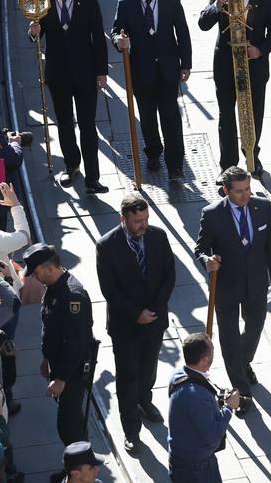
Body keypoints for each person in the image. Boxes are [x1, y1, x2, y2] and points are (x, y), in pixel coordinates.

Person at [193, 166, 271, 415]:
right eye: (239, 192)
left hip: (256, 284)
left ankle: (243, 363)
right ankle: (241, 393)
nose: (246, 196)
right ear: (226, 190)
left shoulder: (262, 207)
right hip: (227, 287)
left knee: (255, 326)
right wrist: (207, 261)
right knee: (230, 340)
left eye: (248, 190)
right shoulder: (211, 214)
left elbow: (269, 246)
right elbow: (199, 249)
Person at [94, 193, 175, 452]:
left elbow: (169, 276)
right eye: (138, 220)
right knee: (127, 376)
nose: (143, 224)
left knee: (149, 369)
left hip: (154, 319)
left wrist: (153, 309)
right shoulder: (107, 246)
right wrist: (135, 313)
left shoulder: (158, 237)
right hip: (125, 325)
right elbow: (110, 289)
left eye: (146, 219)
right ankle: (131, 429)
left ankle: (145, 401)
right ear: (123, 219)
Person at [30, 0, 108, 194]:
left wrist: (101, 72)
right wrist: (34, 32)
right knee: (64, 123)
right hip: (58, 74)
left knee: (87, 125)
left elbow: (98, 38)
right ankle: (71, 164)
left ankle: (92, 178)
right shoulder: (43, 0)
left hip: (85, 73)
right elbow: (36, 35)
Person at [197, 0, 271, 173]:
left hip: (255, 67)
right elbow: (203, 24)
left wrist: (260, 49)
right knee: (227, 115)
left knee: (254, 113)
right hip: (226, 65)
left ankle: (252, 154)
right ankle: (228, 165)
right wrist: (217, 4)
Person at [111, 0, 192, 185]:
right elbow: (115, 30)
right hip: (141, 71)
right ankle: (153, 153)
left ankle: (175, 165)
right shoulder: (126, 3)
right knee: (147, 116)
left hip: (167, 70)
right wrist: (119, 41)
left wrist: (186, 64)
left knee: (171, 117)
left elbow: (182, 33)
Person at [25, 243, 95, 450]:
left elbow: (76, 344)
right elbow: (52, 330)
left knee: (69, 425)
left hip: (72, 372)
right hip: (59, 367)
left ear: (49, 267)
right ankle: (74, 469)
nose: (35, 278)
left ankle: (80, 471)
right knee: (70, 422)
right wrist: (47, 358)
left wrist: (61, 379)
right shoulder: (54, 288)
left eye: (36, 273)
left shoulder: (72, 295)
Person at [166, 332, 240, 481]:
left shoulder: (178, 374)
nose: (214, 354)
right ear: (205, 360)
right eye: (212, 351)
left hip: (182, 458)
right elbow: (213, 436)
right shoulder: (196, 396)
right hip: (195, 468)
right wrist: (229, 408)